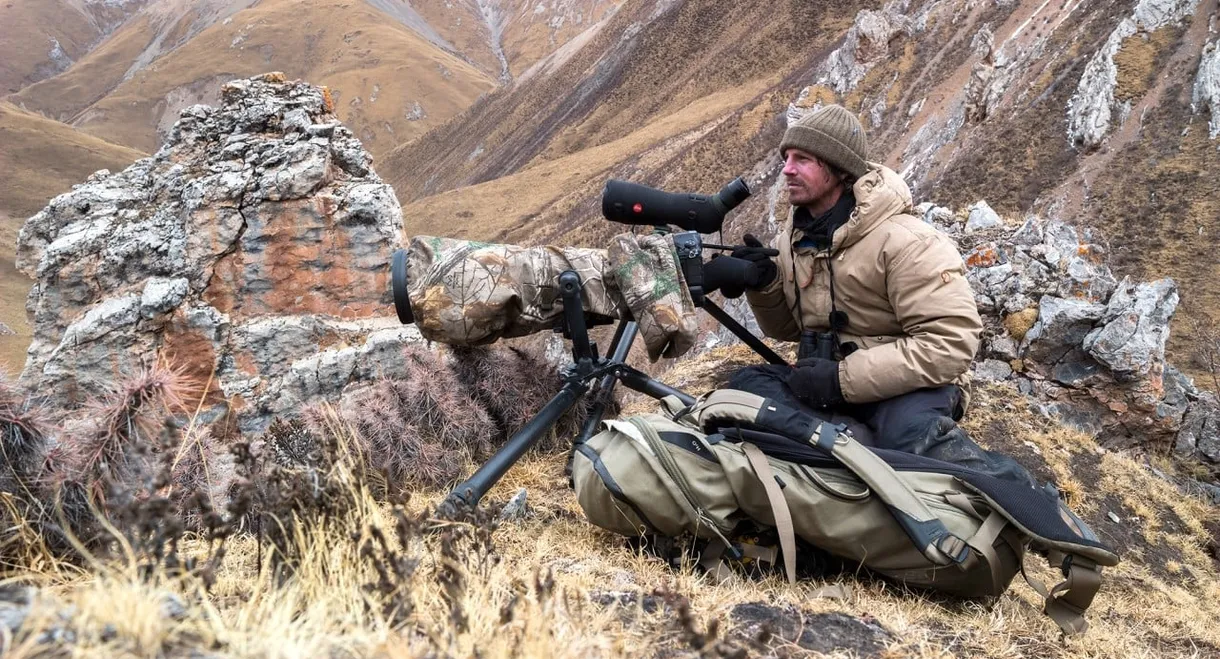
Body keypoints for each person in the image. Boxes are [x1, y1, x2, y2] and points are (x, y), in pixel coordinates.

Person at [703, 104, 1033, 485]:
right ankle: (852, 445)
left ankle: (1023, 497)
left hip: (906, 388)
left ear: (839, 169)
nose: (787, 169)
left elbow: (951, 345)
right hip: (826, 384)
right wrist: (764, 285)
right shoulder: (794, 240)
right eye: (786, 158)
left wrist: (841, 380)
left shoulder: (908, 242)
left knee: (912, 443)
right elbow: (788, 330)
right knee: (746, 391)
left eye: (802, 159)